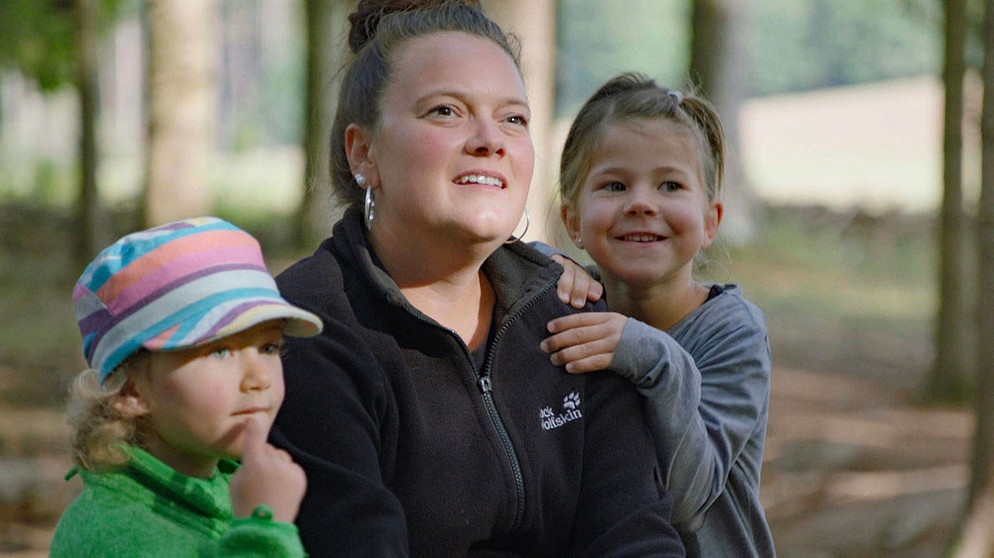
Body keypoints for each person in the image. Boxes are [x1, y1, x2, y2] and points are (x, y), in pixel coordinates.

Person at [268, 1, 685, 556]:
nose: (492, 139)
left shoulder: (571, 312)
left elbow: (635, 534)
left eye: (513, 118)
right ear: (363, 152)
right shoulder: (307, 330)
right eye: (446, 111)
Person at [539, 73, 776, 557]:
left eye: (670, 184)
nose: (642, 203)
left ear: (711, 221)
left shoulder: (733, 333)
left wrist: (651, 357)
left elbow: (688, 499)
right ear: (573, 221)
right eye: (615, 185)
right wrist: (539, 270)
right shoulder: (566, 304)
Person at [50, 217, 323, 557]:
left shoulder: (227, 484)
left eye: (269, 347)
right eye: (220, 351)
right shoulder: (117, 535)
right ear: (130, 390)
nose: (259, 378)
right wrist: (263, 529)